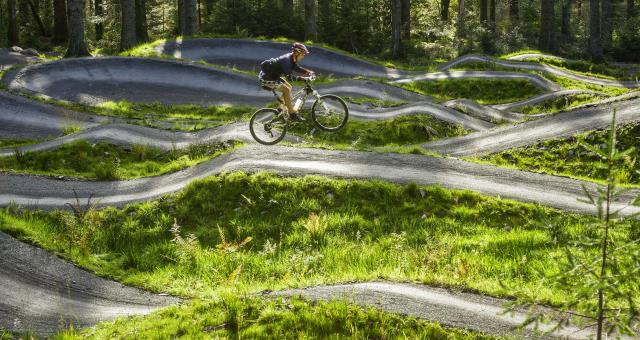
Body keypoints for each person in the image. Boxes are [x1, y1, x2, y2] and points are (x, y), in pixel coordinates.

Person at [259, 42, 315, 121]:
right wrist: (302, 78)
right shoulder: (287, 61)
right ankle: (292, 114)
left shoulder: (292, 58)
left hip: (273, 76)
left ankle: (280, 110)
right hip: (267, 78)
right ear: (297, 52)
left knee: (289, 87)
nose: (303, 56)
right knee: (286, 90)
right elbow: (289, 78)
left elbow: (296, 68)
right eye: (303, 54)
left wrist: (308, 72)